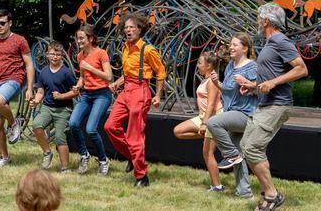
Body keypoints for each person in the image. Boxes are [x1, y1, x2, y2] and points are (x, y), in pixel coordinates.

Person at [239, 3, 308, 210]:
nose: (258, 22)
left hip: (277, 105)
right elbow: (270, 76)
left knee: (252, 147)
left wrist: (274, 82)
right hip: (266, 102)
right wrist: (253, 87)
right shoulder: (270, 43)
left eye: (259, 18)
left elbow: (302, 69)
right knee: (247, 146)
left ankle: (272, 194)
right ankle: (269, 191)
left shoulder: (279, 40)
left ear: (267, 21)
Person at [104, 12, 166, 187]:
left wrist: (158, 95)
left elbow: (160, 72)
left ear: (140, 29)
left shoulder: (148, 50)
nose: (128, 30)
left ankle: (141, 176)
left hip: (140, 91)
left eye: (132, 27)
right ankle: (132, 155)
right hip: (126, 91)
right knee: (110, 126)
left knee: (134, 136)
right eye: (126, 27)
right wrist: (117, 82)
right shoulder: (125, 47)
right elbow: (128, 73)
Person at [0, 9, 34, 168]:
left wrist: (29, 88)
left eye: (2, 23)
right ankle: (4, 156)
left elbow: (29, 65)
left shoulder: (19, 40)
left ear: (10, 23)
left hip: (14, 79)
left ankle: (14, 123)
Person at [206, 32, 258, 198]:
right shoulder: (230, 66)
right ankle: (244, 192)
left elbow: (259, 90)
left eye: (235, 44)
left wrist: (245, 82)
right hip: (232, 113)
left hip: (246, 114)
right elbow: (227, 91)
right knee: (238, 155)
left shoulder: (252, 67)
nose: (231, 47)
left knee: (213, 123)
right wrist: (216, 83)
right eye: (230, 44)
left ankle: (231, 155)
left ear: (245, 48)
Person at [173, 51, 224, 192]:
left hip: (213, 118)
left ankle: (217, 186)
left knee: (207, 153)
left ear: (208, 66)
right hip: (203, 116)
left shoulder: (212, 82)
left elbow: (212, 105)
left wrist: (204, 123)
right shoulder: (205, 79)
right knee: (178, 131)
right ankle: (207, 135)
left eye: (200, 63)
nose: (198, 66)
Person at [69, 25, 113, 176]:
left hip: (102, 95)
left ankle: (103, 160)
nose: (79, 41)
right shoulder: (80, 56)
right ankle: (84, 155)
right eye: (78, 38)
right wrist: (78, 86)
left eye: (81, 38)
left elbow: (108, 77)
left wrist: (90, 67)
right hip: (86, 95)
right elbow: (83, 76)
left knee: (91, 129)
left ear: (91, 38)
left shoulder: (101, 53)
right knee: (73, 124)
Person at [30, 41, 77, 173]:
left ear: (62, 55)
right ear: (47, 55)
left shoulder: (67, 73)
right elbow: (40, 92)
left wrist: (62, 96)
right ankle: (47, 153)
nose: (54, 57)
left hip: (63, 109)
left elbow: (75, 92)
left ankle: (65, 168)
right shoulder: (44, 72)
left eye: (57, 54)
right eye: (52, 54)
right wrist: (36, 101)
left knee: (59, 138)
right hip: (47, 107)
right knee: (37, 125)